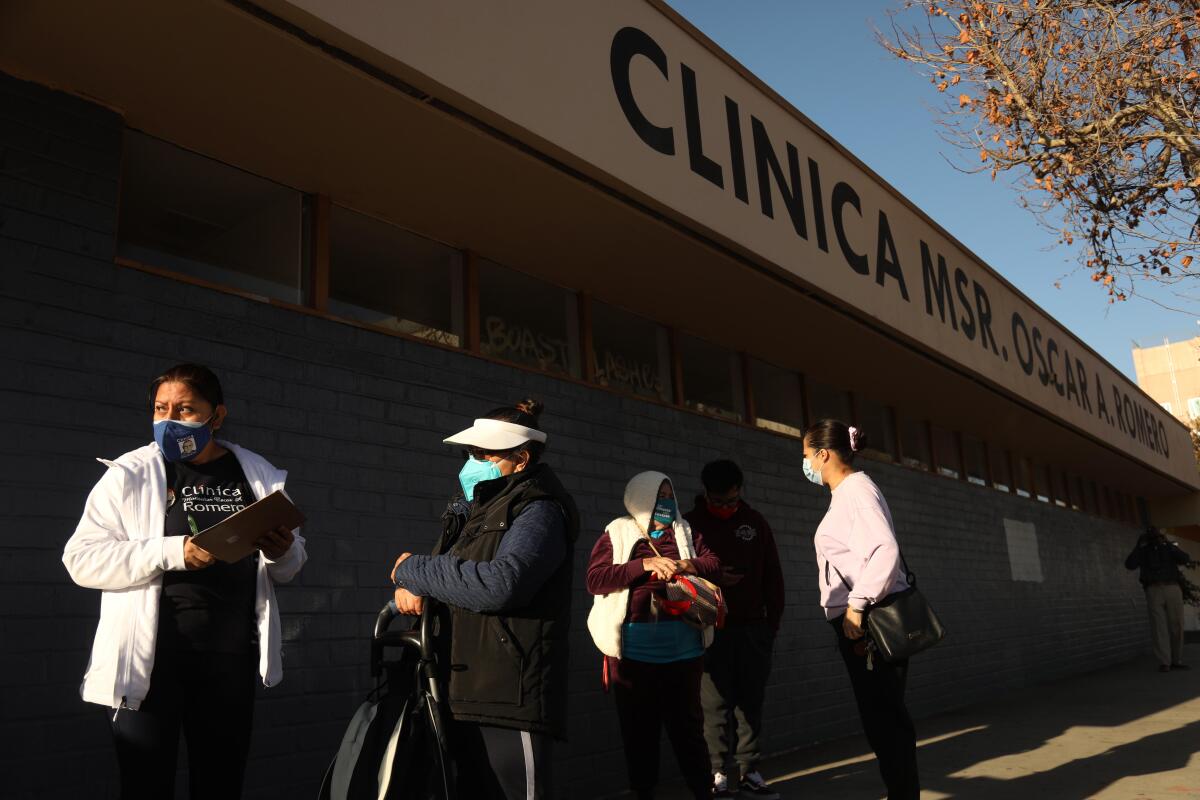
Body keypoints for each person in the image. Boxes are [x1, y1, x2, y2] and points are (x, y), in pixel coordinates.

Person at [62, 363, 307, 800]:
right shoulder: (128, 474)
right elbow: (81, 559)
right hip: (150, 665)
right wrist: (175, 552)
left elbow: (290, 567)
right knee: (145, 786)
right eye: (161, 409)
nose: (169, 420)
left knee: (220, 784)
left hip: (229, 661)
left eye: (186, 410)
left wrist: (281, 550)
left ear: (217, 416)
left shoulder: (258, 475)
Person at [389, 399, 578, 800]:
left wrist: (413, 569)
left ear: (521, 458)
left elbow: (501, 584)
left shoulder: (539, 510)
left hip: (509, 695)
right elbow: (451, 578)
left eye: (482, 454)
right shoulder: (471, 510)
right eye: (469, 454)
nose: (470, 463)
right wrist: (417, 585)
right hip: (462, 688)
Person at [586, 470, 722, 800]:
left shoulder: (684, 531)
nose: (665, 503)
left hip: (684, 650)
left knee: (688, 730)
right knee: (639, 732)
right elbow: (597, 579)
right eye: (657, 496)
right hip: (634, 653)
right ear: (639, 498)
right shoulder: (617, 532)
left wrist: (685, 566)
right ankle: (643, 790)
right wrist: (645, 564)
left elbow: (713, 563)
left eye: (668, 495)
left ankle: (702, 791)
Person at [803, 419, 919, 800]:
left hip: (867, 621)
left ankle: (903, 794)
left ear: (823, 454)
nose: (805, 465)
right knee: (882, 718)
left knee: (885, 719)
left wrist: (856, 605)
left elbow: (885, 550)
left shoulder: (856, 491)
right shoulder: (848, 493)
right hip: (861, 620)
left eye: (806, 456)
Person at [684, 459, 784, 799]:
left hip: (753, 628)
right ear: (706, 494)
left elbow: (774, 577)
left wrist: (770, 627)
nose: (726, 508)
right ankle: (717, 773)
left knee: (750, 702)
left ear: (740, 491)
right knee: (713, 704)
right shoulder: (691, 525)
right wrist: (714, 578)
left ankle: (749, 770)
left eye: (731, 501)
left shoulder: (755, 522)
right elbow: (680, 578)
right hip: (710, 629)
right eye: (718, 502)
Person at [1125, 526, 1192, 672]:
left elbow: (1185, 558)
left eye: (1156, 536)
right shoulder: (1143, 550)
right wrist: (1139, 545)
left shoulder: (1168, 548)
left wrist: (1167, 542)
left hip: (1172, 587)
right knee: (1158, 626)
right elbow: (1129, 565)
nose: (1154, 539)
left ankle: (1176, 660)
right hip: (1153, 589)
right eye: (1152, 536)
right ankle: (1165, 662)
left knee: (1177, 624)